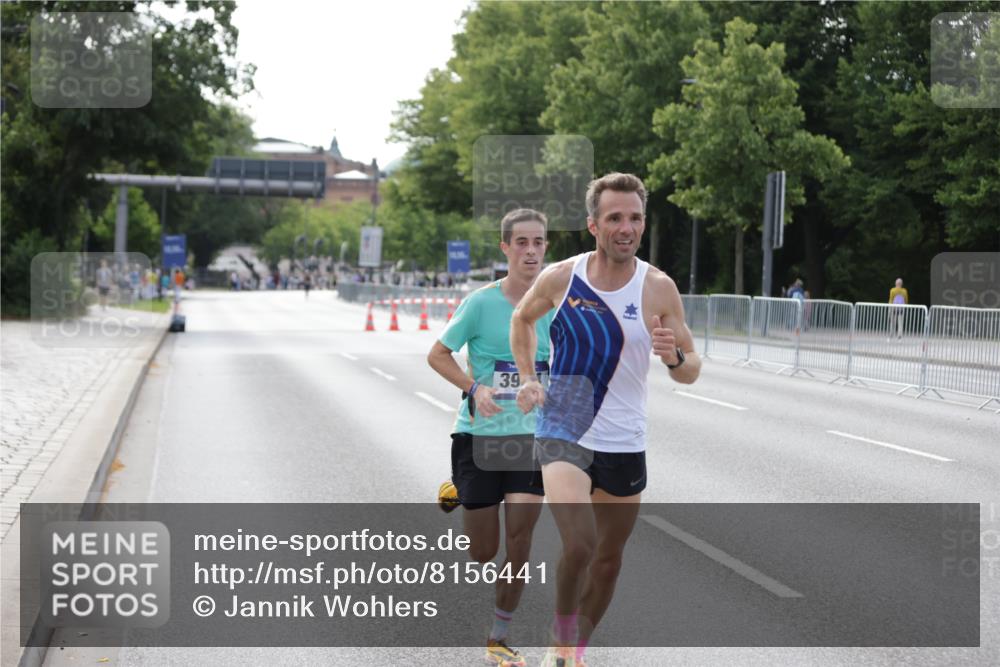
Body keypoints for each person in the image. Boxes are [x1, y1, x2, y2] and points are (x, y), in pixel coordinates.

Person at [510, 173, 701, 667]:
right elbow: (522, 320)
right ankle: (562, 633)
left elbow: (692, 368)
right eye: (615, 217)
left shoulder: (657, 288)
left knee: (608, 561)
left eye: (635, 218)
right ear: (594, 225)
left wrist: (674, 358)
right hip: (564, 428)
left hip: (624, 439)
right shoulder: (561, 277)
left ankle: (574, 645)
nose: (626, 227)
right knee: (580, 544)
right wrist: (530, 376)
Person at [427, 209, 554, 667]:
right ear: (505, 248)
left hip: (530, 439)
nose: (531, 251)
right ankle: (460, 491)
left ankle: (498, 637)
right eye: (521, 242)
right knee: (483, 552)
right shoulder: (481, 303)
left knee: (519, 543)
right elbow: (437, 354)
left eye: (538, 242)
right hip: (479, 437)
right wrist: (474, 388)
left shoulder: (559, 304)